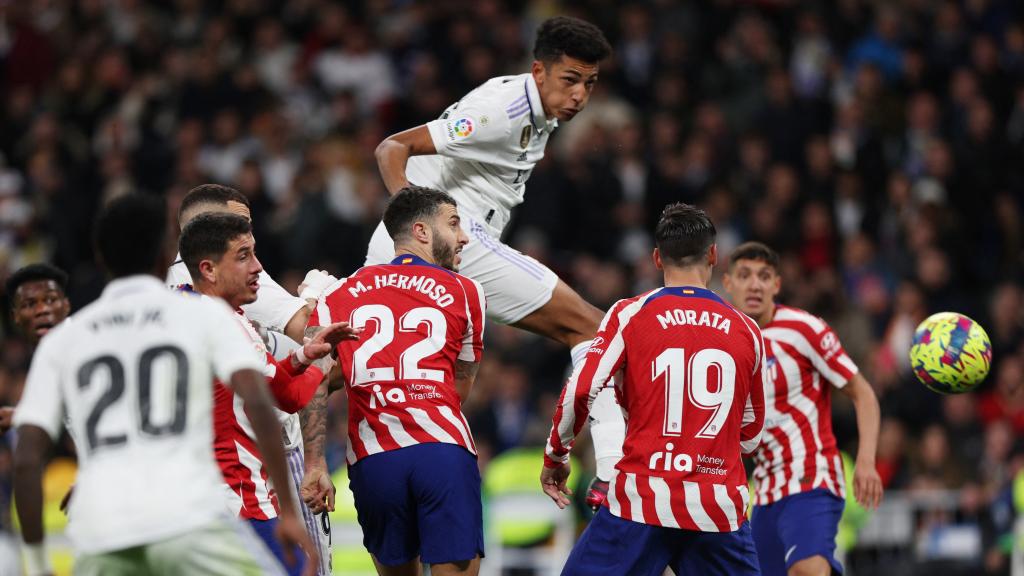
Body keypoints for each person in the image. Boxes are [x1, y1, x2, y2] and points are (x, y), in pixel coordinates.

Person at [368, 16, 624, 503]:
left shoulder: (540, 113)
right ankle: (611, 471)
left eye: (589, 84)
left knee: (369, 364)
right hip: (448, 236)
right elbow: (392, 147)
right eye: (569, 80)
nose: (579, 97)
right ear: (539, 71)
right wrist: (415, 224)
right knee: (593, 328)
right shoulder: (503, 110)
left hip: (430, 242)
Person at [12, 194, 315, 576]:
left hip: (102, 529)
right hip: (186, 520)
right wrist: (288, 513)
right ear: (162, 257)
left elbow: (25, 461)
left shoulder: (65, 339)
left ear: (101, 260)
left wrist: (38, 564)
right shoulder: (204, 316)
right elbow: (257, 399)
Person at [541, 203, 766, 576]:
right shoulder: (747, 330)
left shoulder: (630, 314)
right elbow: (750, 435)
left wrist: (556, 455)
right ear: (714, 254)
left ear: (658, 258)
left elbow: (581, 390)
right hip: (716, 510)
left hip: (642, 502)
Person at [167, 183, 342, 575]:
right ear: (207, 261)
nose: (257, 266)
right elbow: (290, 393)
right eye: (243, 252)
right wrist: (317, 331)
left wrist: (302, 356)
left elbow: (277, 380)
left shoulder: (173, 301)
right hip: (242, 497)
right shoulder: (223, 317)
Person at [312, 186, 486, 575]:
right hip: (442, 449)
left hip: (374, 458)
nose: (463, 237)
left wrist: (315, 463)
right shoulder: (467, 290)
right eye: (454, 223)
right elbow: (461, 388)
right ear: (422, 232)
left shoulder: (336, 294)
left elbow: (314, 380)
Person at [723, 241, 883, 576]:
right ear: (728, 283)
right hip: (764, 490)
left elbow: (863, 392)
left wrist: (866, 461)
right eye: (745, 275)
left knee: (807, 570)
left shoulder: (804, 329)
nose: (755, 284)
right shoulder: (724, 343)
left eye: (764, 276)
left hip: (812, 475)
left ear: (776, 285)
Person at [0, 264, 72, 433]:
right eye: (30, 304)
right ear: (15, 316)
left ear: (66, 305)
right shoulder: (44, 355)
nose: (42, 310)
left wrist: (22, 417)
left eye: (50, 300)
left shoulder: (86, 344)